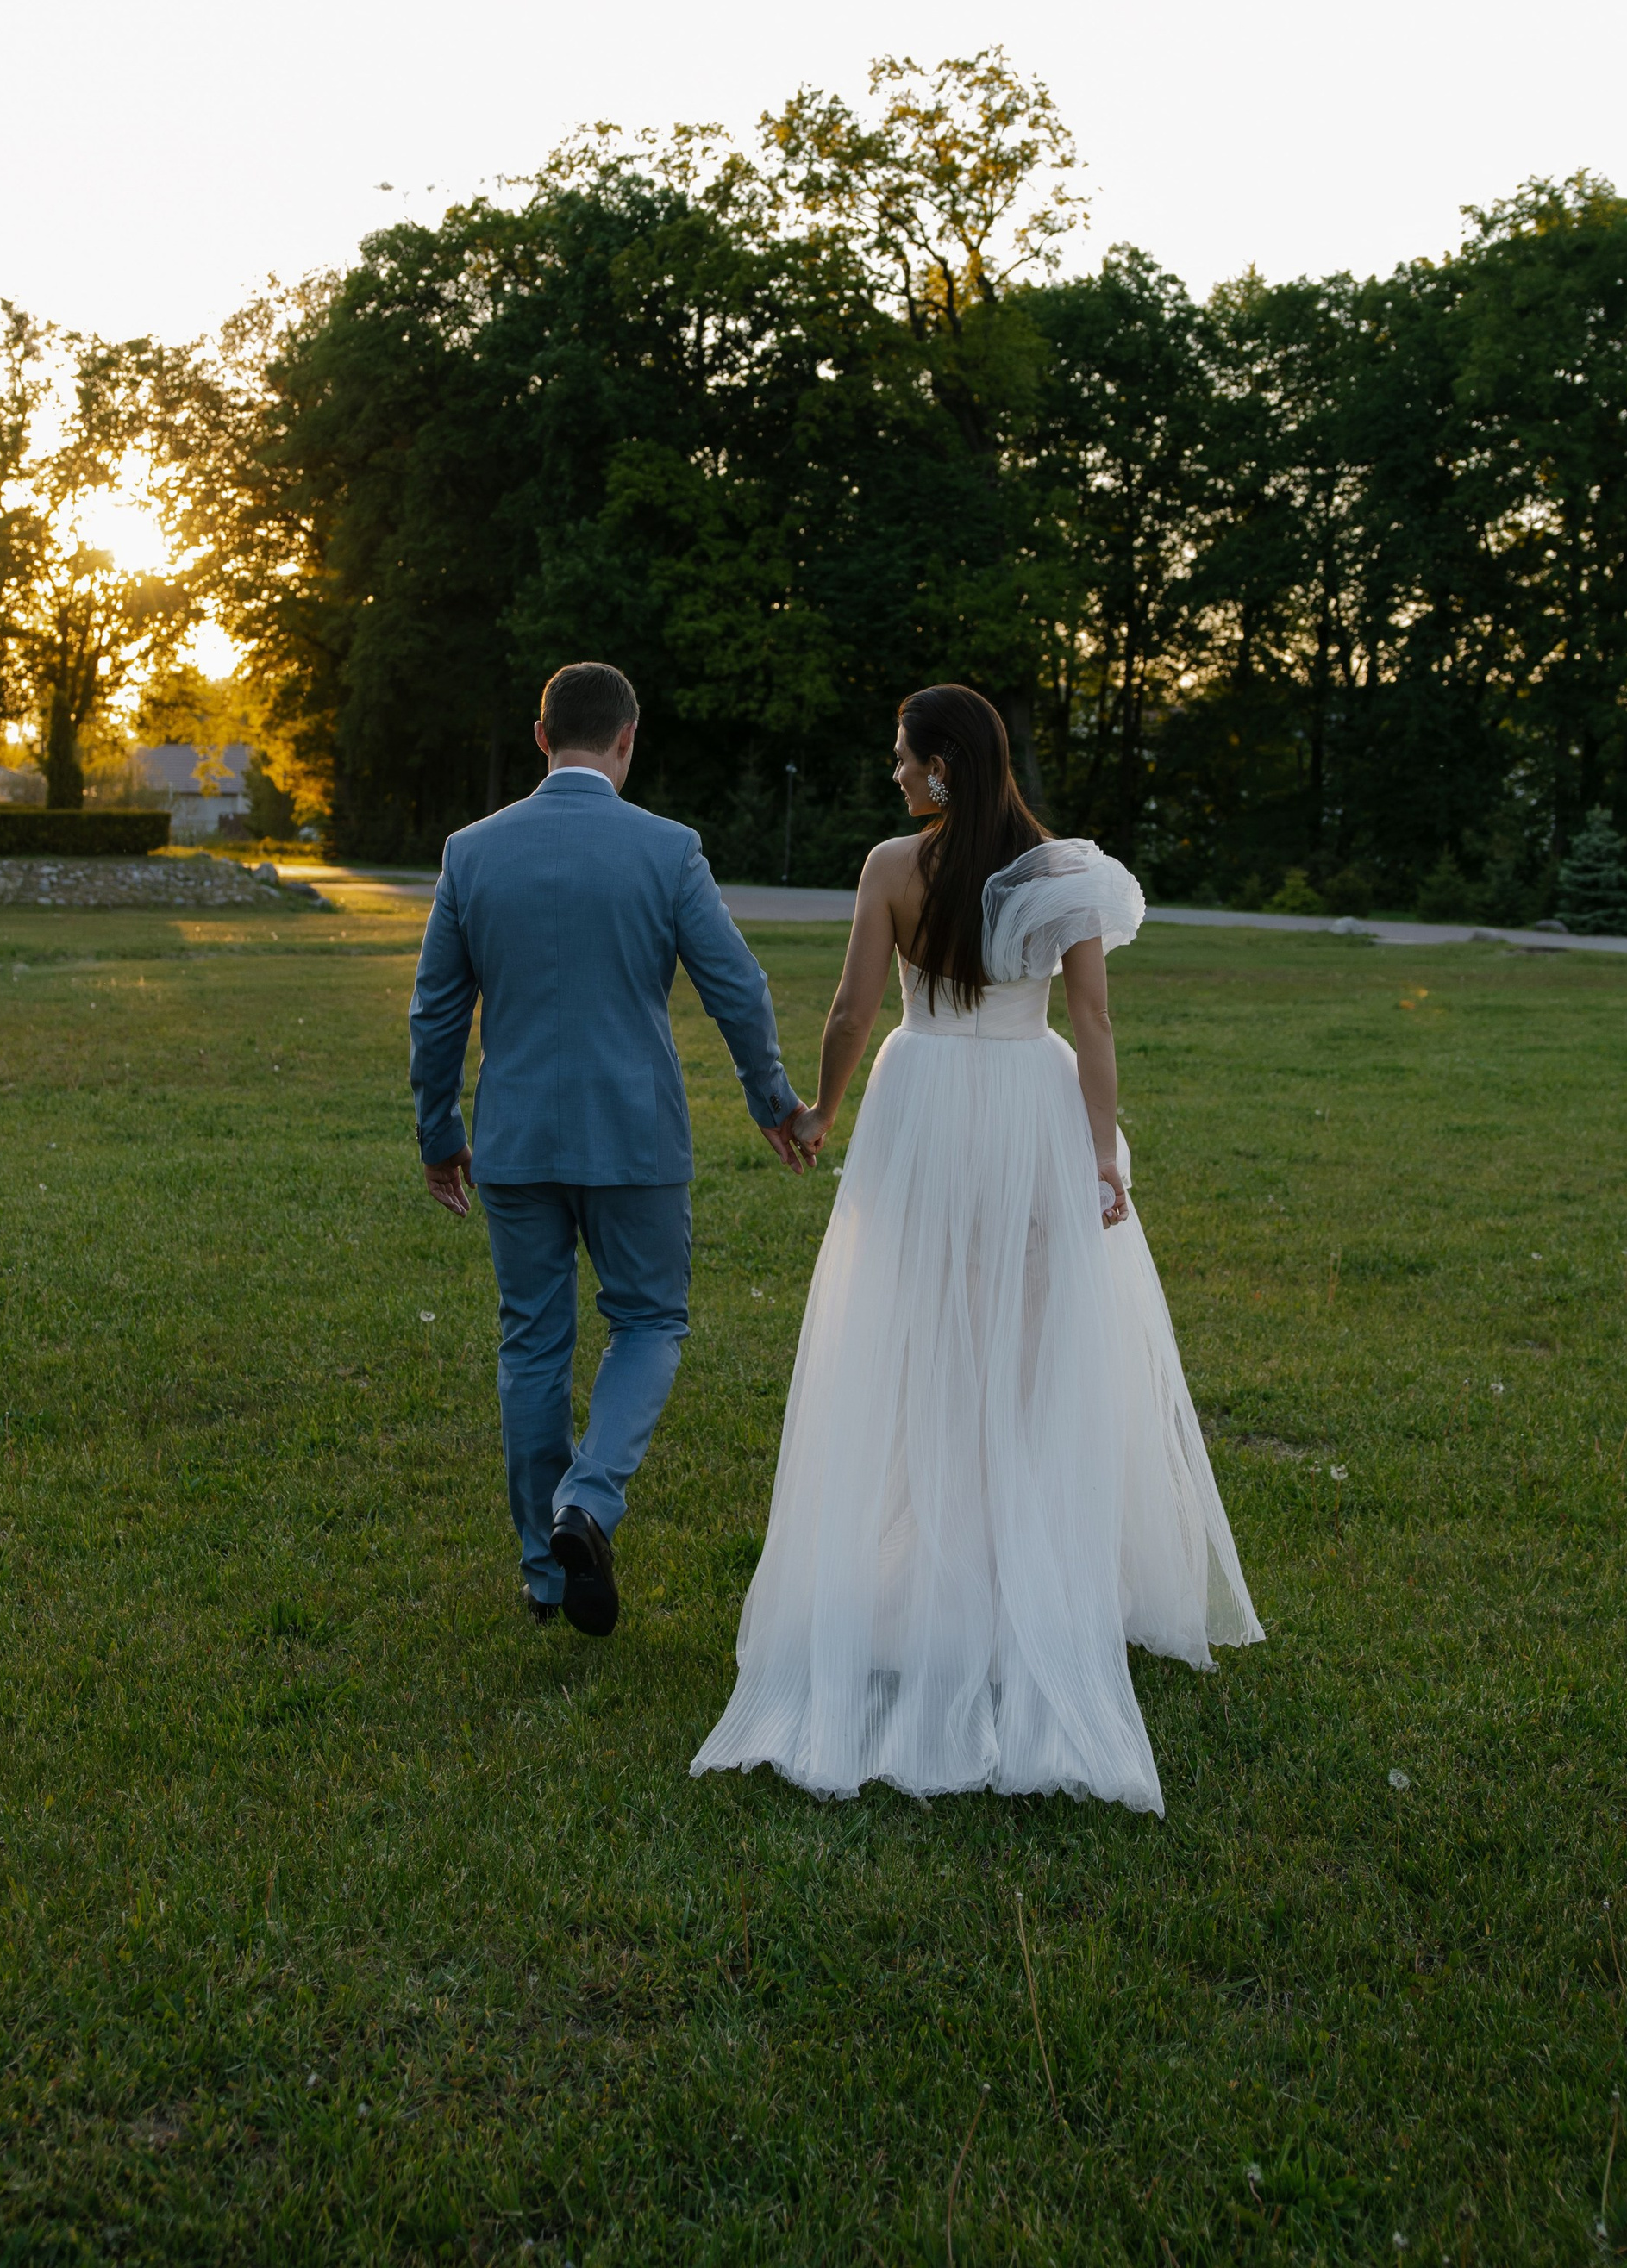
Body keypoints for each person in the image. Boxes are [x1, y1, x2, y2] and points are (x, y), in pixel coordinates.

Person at [691, 683, 1261, 1810]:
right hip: (1030, 1109)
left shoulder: (892, 868)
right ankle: (1017, 1587)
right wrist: (1099, 1155)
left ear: (943, 765)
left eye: (904, 757)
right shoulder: (1064, 876)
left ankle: (943, 1583)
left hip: (926, 1110)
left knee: (928, 1353)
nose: (895, 772)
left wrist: (823, 1110)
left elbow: (852, 1010)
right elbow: (1091, 1021)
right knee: (1029, 1360)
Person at [410, 660, 807, 1635]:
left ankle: (546, 1576)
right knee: (650, 1320)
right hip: (636, 1136)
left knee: (532, 1341)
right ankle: (586, 1502)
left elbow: (436, 1009)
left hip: (515, 1140)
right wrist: (770, 1095)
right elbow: (738, 986)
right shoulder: (668, 849)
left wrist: (439, 1132)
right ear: (628, 738)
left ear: (541, 737)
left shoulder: (471, 850)